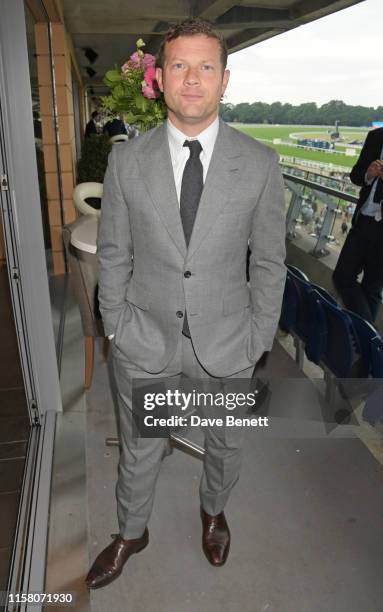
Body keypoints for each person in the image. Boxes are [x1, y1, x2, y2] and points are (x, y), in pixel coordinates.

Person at [86, 18, 286, 590]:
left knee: (223, 441)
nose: (192, 79)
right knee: (141, 444)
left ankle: (213, 510)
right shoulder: (128, 161)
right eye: (179, 65)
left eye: (205, 67)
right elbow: (114, 252)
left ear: (226, 81)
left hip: (228, 342)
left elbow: (270, 263)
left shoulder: (260, 163)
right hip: (145, 338)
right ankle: (132, 529)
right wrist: (118, 326)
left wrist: (258, 337)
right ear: (160, 80)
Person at [333, 127, 383, 323]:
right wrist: (369, 174)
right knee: (342, 276)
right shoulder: (376, 136)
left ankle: (366, 347)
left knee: (371, 289)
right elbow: (356, 175)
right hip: (363, 221)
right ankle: (370, 344)